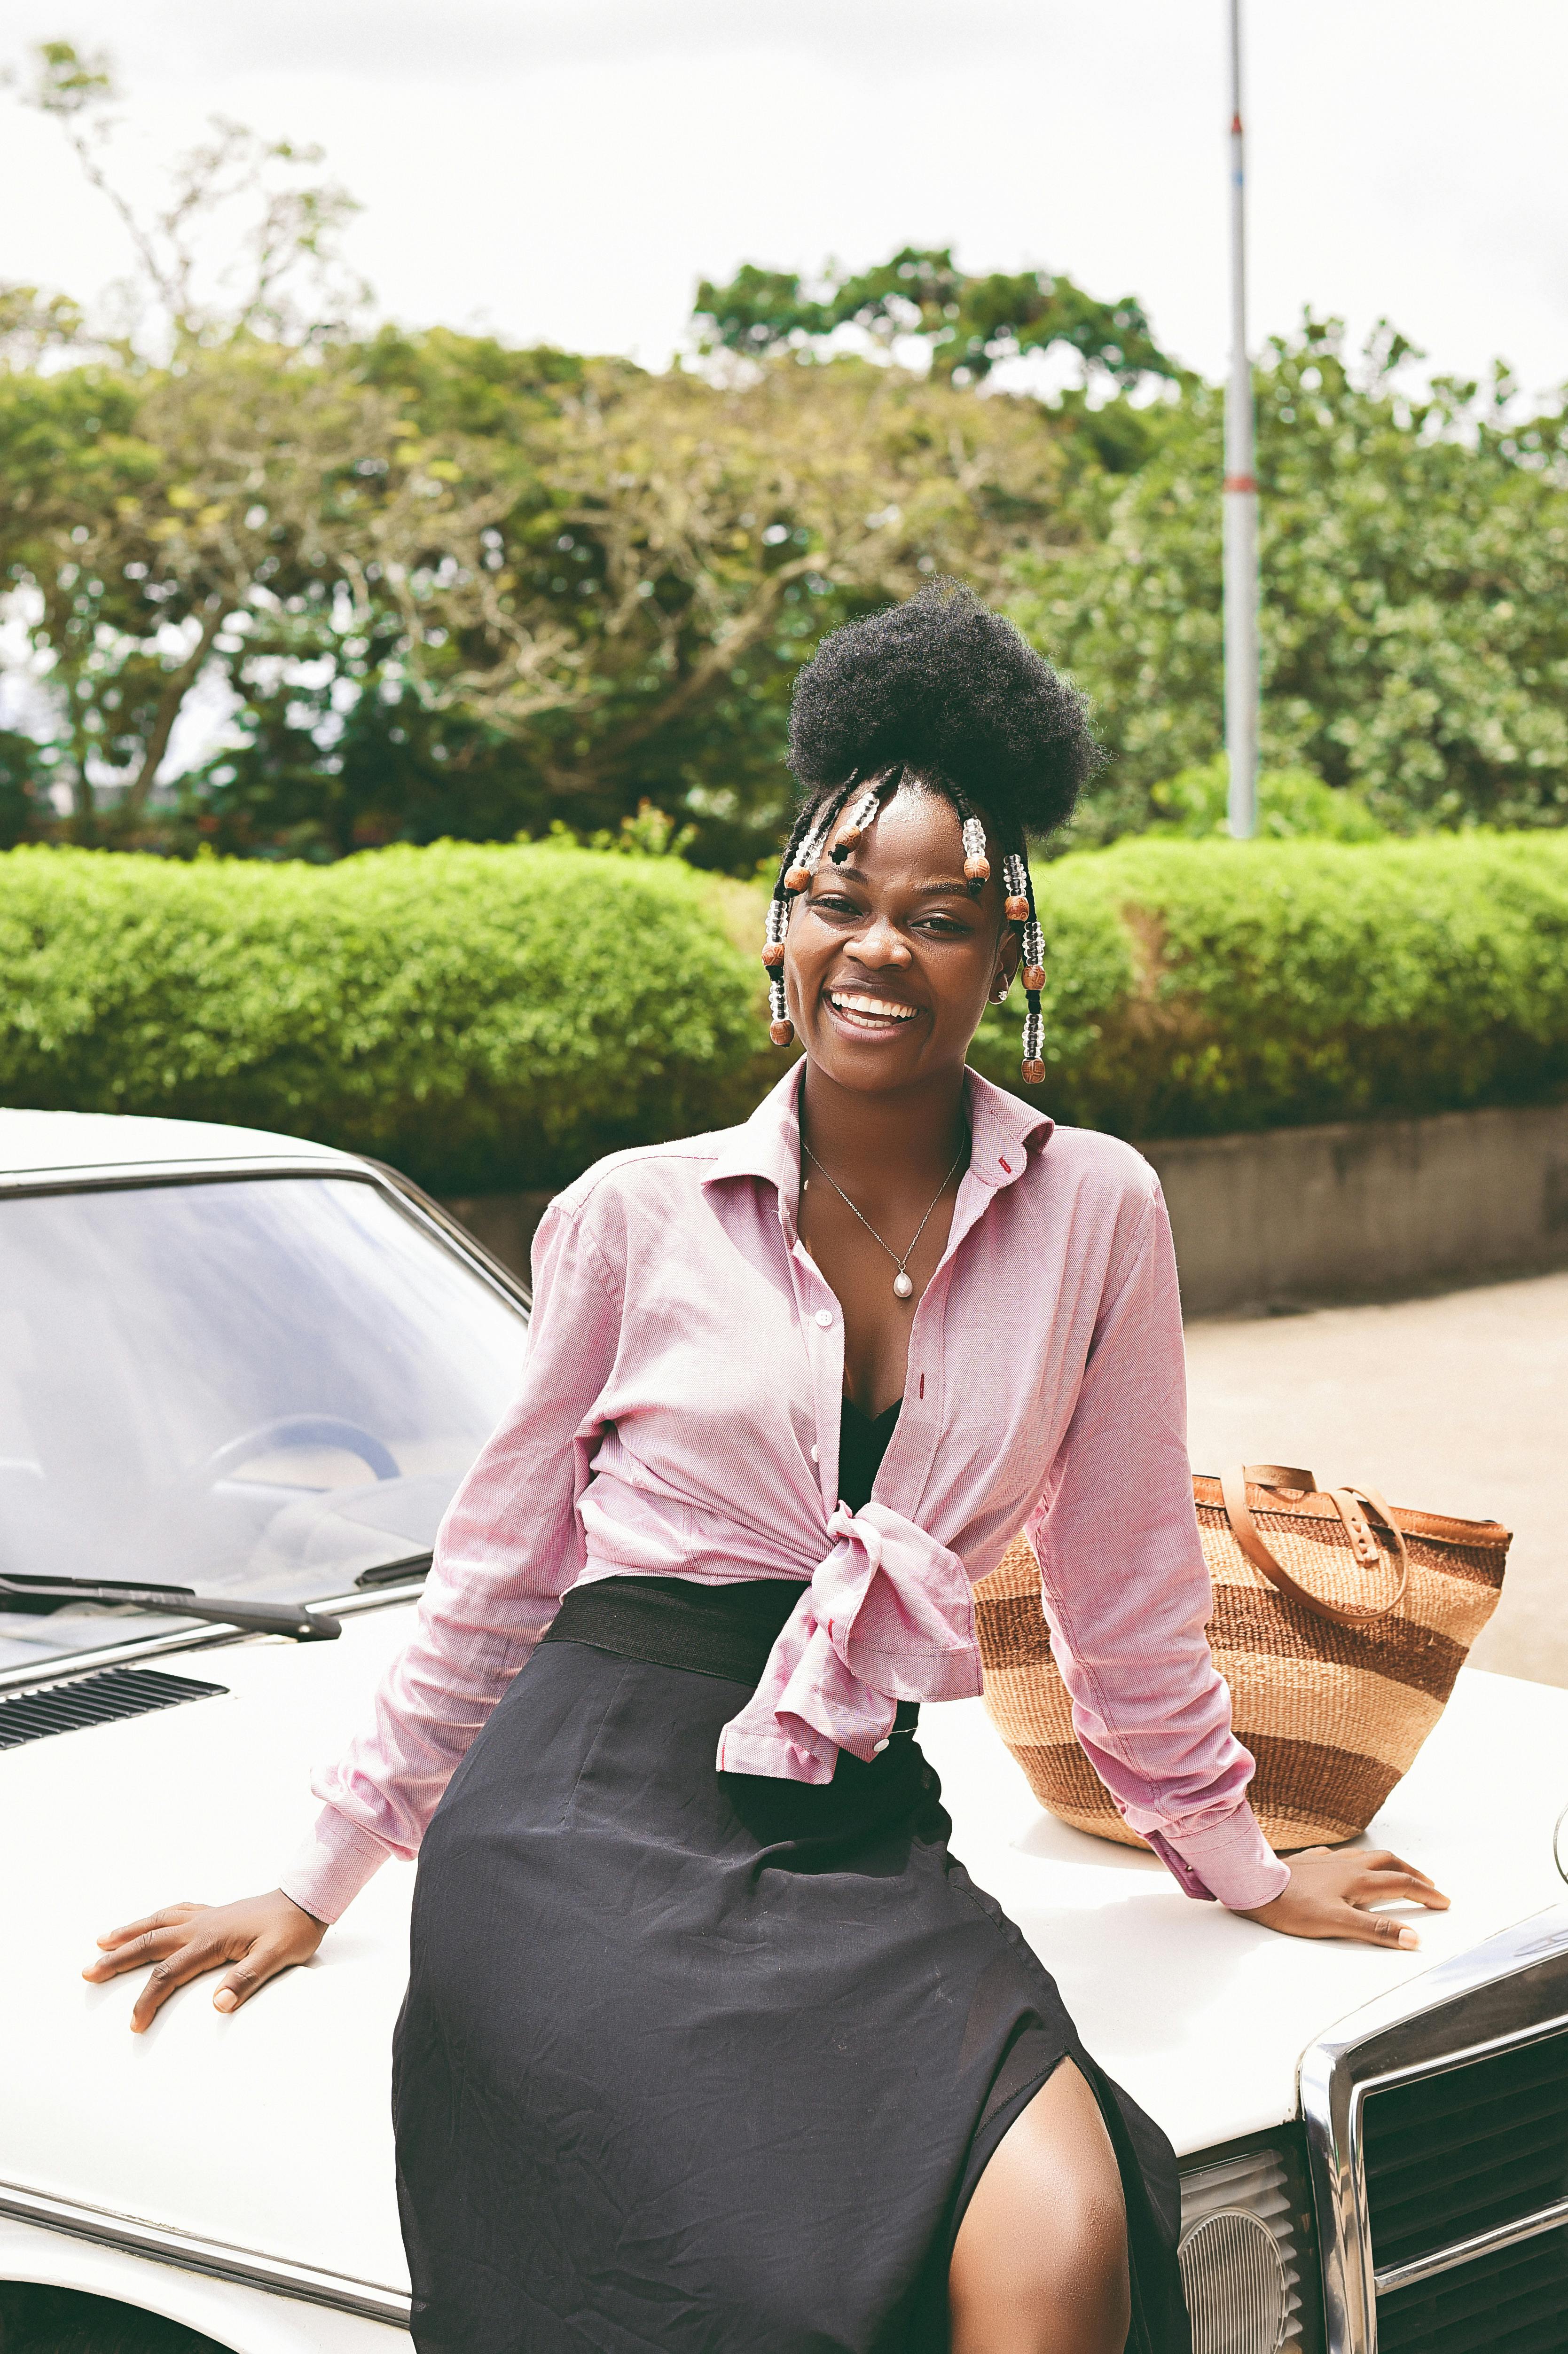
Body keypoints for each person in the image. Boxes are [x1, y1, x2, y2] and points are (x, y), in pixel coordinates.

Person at [86, 583, 1448, 2354]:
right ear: (780, 932)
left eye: (941, 917)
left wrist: (1240, 1861)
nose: (881, 946)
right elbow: (497, 1574)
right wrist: (319, 1874)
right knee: (744, 2292)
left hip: (851, 1822)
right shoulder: (630, 1211)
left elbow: (1124, 1586)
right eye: (838, 899)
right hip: (584, 1815)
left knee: (1061, 2241)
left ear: (1009, 956)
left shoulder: (1101, 1210)